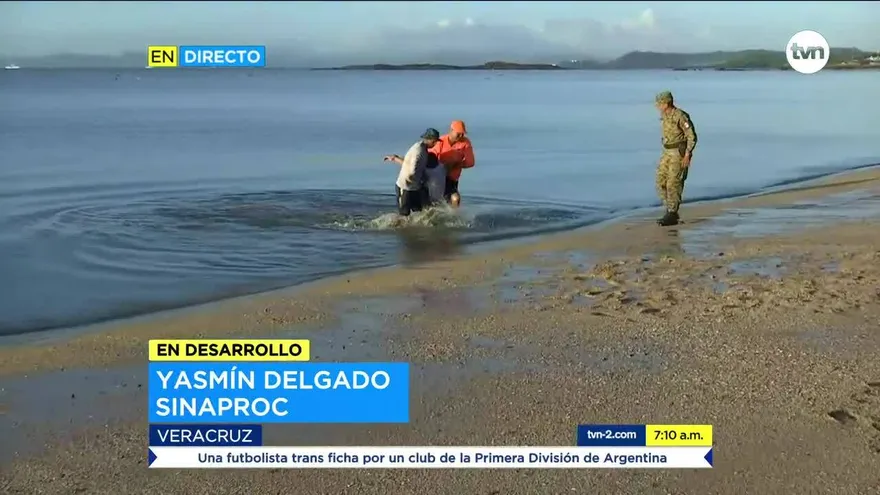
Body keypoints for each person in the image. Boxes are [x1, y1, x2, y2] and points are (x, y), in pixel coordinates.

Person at [654, 91, 697, 227]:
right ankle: (669, 209)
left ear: (666, 103)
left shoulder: (680, 116)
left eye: (659, 103)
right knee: (660, 181)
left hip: (678, 153)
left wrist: (688, 154)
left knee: (674, 182)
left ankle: (672, 213)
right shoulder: (664, 115)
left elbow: (691, 136)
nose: (657, 106)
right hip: (666, 151)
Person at [384, 128, 440, 216]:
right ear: (428, 139)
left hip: (415, 187)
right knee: (403, 215)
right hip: (405, 186)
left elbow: (407, 161)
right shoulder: (418, 151)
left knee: (419, 214)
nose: (435, 143)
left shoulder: (424, 148)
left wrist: (395, 158)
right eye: (434, 141)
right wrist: (412, 176)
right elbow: (412, 169)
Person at [430, 120, 475, 207]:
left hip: (452, 179)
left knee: (455, 199)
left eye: (463, 133)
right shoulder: (440, 141)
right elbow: (430, 158)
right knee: (434, 202)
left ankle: (454, 218)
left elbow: (470, 162)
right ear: (451, 130)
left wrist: (456, 164)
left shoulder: (465, 143)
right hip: (437, 177)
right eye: (458, 133)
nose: (461, 136)